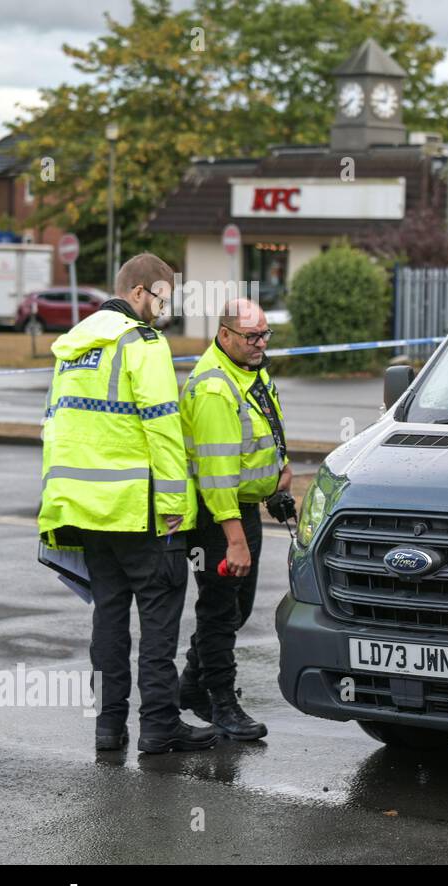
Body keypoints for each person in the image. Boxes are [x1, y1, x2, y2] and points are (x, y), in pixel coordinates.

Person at [38, 253, 216, 753]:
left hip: (86, 513)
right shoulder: (143, 343)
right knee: (159, 624)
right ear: (139, 292)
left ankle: (108, 727)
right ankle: (159, 726)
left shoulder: (73, 349)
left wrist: (59, 505)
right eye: (162, 297)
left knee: (109, 623)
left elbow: (56, 430)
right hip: (142, 513)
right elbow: (162, 428)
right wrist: (177, 505)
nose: (165, 308)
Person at [178, 298, 291, 740]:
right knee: (220, 609)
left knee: (236, 607)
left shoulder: (248, 369)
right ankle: (222, 703)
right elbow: (217, 473)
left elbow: (265, 426)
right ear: (224, 335)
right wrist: (235, 539)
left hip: (243, 509)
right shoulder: (213, 388)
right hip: (217, 516)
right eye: (252, 336)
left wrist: (281, 469)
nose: (261, 343)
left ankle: (190, 686)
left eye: (265, 334)